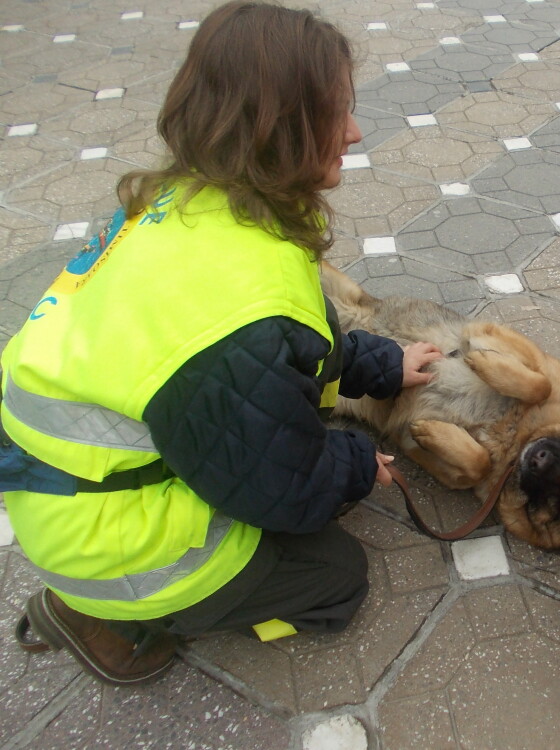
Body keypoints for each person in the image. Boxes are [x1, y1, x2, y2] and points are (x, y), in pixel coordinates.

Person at [2, 0, 442, 685]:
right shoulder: (237, 319)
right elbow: (285, 492)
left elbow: (297, 342)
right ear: (277, 130)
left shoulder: (188, 201)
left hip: (72, 486)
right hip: (110, 538)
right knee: (338, 578)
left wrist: (385, 366)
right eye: (334, 115)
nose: (353, 134)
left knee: (287, 432)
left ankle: (102, 588)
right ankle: (112, 618)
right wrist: (358, 461)